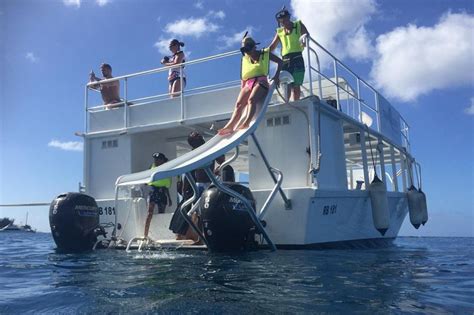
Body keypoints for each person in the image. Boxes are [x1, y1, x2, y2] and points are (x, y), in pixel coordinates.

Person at [218, 35, 282, 136]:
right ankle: (230, 125)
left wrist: (277, 76)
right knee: (239, 104)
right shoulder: (245, 58)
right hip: (249, 83)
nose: (247, 52)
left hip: (261, 82)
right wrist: (242, 88)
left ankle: (247, 122)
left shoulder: (264, 54)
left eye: (248, 49)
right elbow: (243, 77)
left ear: (254, 47)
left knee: (251, 100)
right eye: (245, 50)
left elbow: (280, 62)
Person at [169, 131, 213, 243]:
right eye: (197, 136)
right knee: (195, 211)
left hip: (203, 185)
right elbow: (188, 172)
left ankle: (198, 236)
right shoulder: (195, 153)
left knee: (198, 211)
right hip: (196, 186)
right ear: (193, 142)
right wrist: (184, 188)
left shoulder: (208, 149)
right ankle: (196, 236)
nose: (200, 136)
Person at [269, 7, 309, 101]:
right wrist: (263, 53)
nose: (284, 23)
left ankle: (296, 103)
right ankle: (286, 103)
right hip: (285, 60)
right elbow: (272, 46)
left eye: (285, 19)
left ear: (289, 17)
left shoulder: (298, 24)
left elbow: (306, 34)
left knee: (296, 85)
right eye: (282, 21)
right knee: (286, 85)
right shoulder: (280, 31)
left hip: (297, 57)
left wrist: (304, 40)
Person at [144, 152, 172, 239]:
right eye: (155, 159)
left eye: (158, 159)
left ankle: (161, 234)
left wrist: (169, 198)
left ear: (162, 160)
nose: (155, 161)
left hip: (162, 192)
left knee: (161, 214)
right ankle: (145, 235)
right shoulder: (152, 166)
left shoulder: (166, 168)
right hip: (153, 191)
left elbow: (166, 185)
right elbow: (146, 177)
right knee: (150, 213)